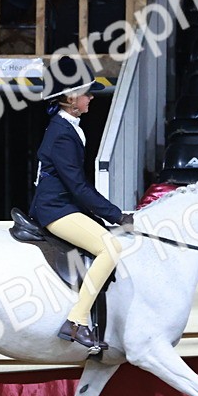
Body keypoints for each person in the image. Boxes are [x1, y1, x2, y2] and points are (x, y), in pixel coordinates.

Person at [30, 55, 133, 351]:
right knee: (110, 248)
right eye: (86, 93)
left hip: (64, 205)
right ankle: (75, 321)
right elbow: (77, 186)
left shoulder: (70, 126)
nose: (91, 97)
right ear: (71, 99)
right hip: (56, 209)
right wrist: (116, 215)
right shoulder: (62, 133)